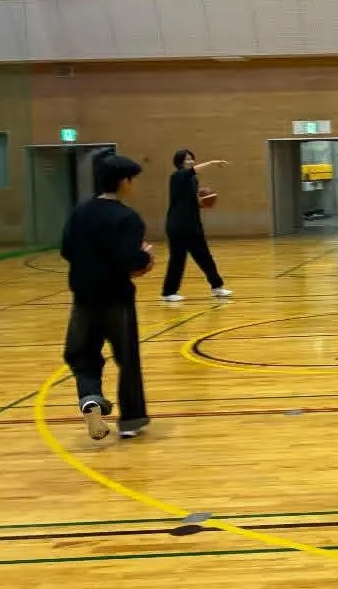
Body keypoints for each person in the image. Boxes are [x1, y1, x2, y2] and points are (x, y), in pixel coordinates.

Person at [60, 154, 154, 441]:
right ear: (123, 181)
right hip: (117, 298)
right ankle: (131, 421)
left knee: (83, 354)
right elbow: (131, 260)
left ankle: (90, 398)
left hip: (84, 297)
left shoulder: (79, 212)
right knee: (127, 359)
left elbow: (66, 250)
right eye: (132, 180)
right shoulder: (128, 218)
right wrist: (146, 257)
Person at [160, 149, 232, 302]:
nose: (191, 161)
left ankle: (217, 287)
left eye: (192, 158)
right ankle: (169, 292)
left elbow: (190, 201)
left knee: (205, 257)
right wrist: (212, 162)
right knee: (178, 259)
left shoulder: (193, 180)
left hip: (193, 224)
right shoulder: (177, 176)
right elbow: (192, 171)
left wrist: (203, 202)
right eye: (187, 159)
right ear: (180, 162)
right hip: (178, 225)